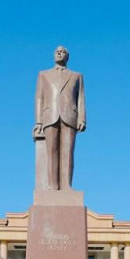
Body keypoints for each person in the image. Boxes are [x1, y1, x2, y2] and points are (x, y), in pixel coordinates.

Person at [32, 45, 86, 190]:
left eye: (63, 52)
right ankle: (52, 185)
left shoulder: (77, 76)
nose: (60, 53)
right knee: (51, 152)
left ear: (67, 56)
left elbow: (80, 98)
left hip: (70, 116)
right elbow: (39, 98)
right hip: (50, 115)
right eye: (57, 52)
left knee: (68, 153)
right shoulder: (44, 75)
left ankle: (67, 185)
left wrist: (82, 118)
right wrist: (38, 121)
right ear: (54, 55)